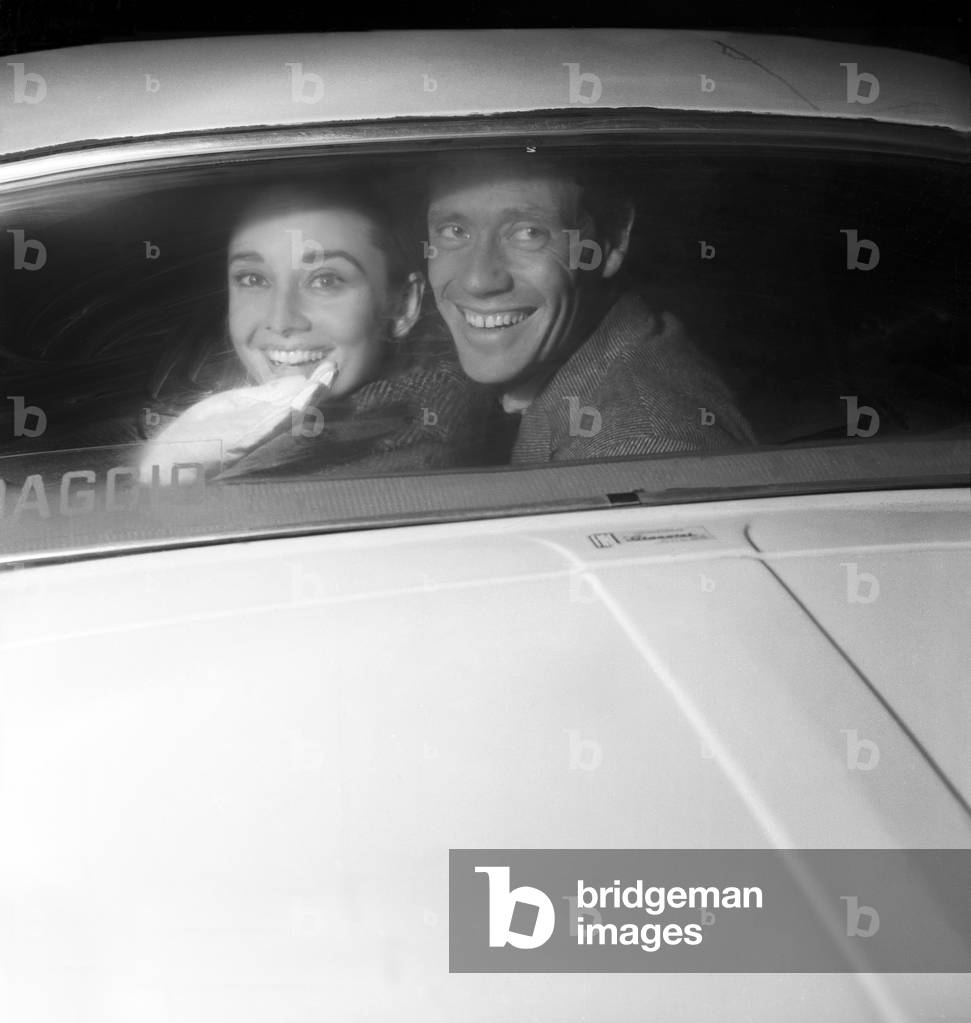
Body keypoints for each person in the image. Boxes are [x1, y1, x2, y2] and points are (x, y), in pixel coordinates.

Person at [139, 180, 492, 483]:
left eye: (325, 280)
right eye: (254, 279)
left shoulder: (409, 446)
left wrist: (166, 474)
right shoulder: (207, 385)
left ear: (403, 306)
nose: (281, 320)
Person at [424, 153, 755, 464]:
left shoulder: (629, 451)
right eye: (455, 231)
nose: (478, 280)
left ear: (610, 241)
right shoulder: (552, 370)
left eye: (529, 233)